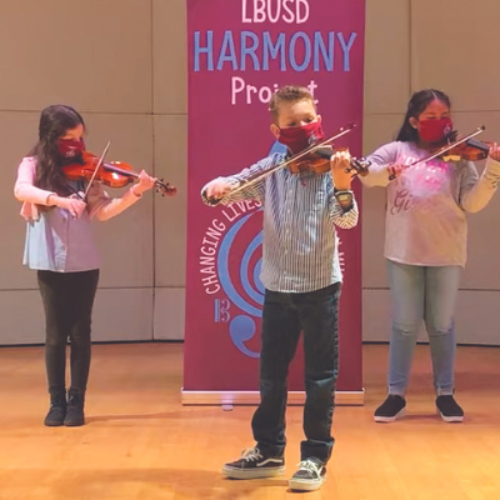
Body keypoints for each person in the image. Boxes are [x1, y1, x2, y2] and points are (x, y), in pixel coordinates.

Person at [201, 85, 359, 492]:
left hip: (320, 287)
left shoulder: (331, 167)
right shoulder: (271, 167)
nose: (304, 127)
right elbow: (232, 184)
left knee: (320, 377)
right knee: (271, 376)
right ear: (277, 130)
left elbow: (346, 222)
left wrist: (342, 184)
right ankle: (269, 450)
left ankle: (314, 457)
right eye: (293, 123)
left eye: (309, 119)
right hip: (277, 287)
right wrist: (215, 186)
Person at [360, 89, 500, 423]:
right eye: (430, 118)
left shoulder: (461, 157)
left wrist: (493, 169)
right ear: (414, 121)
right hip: (403, 252)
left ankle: (445, 394)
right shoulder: (397, 150)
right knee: (404, 325)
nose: (440, 124)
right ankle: (396, 394)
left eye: (444, 116)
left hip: (446, 253)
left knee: (441, 324)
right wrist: (386, 173)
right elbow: (367, 174)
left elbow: (472, 203)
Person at [14, 104, 157, 427]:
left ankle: (77, 401)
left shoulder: (87, 170)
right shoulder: (33, 165)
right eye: (68, 139)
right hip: (48, 260)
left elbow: (103, 211)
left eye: (80, 138)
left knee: (81, 333)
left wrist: (136, 191)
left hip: (84, 262)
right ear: (51, 138)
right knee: (55, 333)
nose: (77, 146)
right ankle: (56, 402)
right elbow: (20, 190)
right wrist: (59, 199)